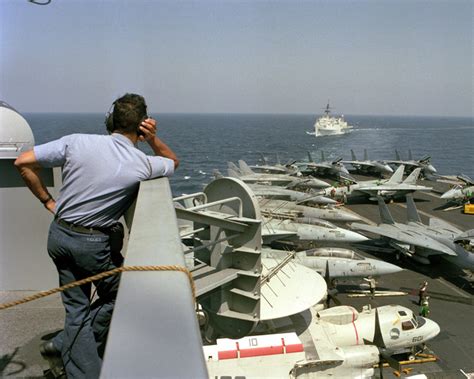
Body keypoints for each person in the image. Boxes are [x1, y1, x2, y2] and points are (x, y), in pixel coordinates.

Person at [14, 93, 179, 379]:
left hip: (59, 235)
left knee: (76, 311)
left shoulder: (76, 141)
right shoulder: (141, 163)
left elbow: (23, 163)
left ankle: (70, 348)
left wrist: (47, 202)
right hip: (92, 246)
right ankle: (74, 352)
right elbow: (172, 161)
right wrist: (152, 140)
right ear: (141, 127)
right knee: (127, 294)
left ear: (109, 120)